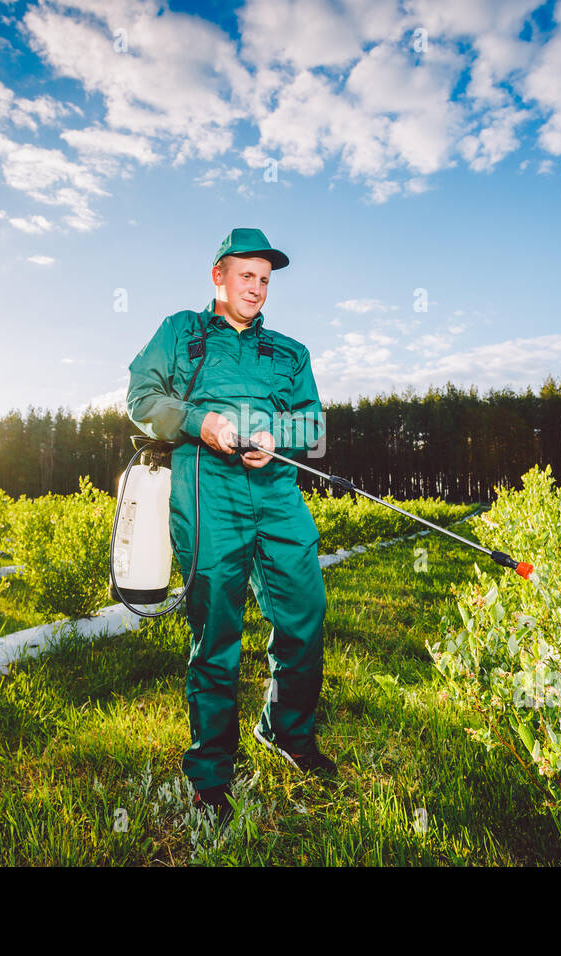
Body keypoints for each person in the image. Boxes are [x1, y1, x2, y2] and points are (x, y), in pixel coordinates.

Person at [126, 227, 336, 827]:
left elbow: (313, 423)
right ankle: (211, 773)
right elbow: (142, 395)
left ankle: (287, 733)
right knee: (216, 627)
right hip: (204, 483)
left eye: (266, 279)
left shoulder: (291, 352)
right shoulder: (181, 333)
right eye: (248, 275)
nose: (258, 288)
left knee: (304, 613)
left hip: (277, 490)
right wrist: (201, 422)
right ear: (218, 275)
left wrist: (279, 438)